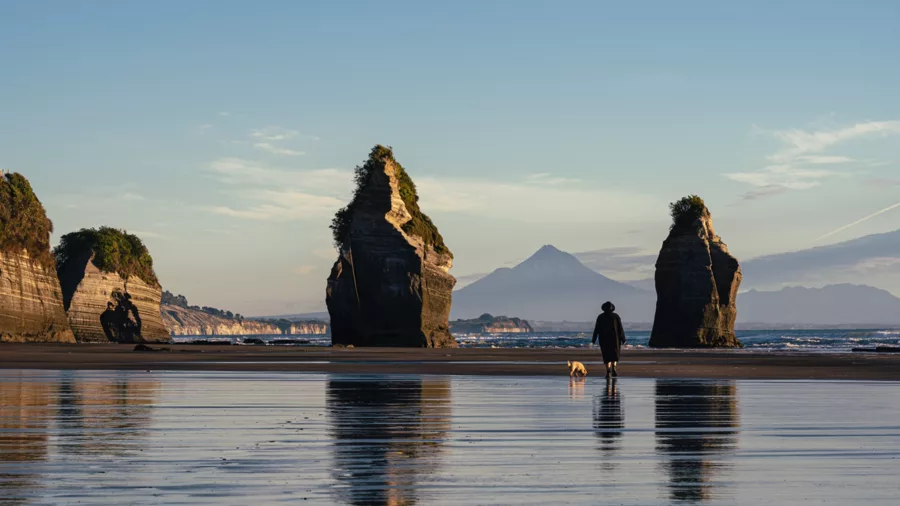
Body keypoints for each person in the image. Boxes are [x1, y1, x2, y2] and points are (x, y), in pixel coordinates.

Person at [592, 301, 627, 378]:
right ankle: (614, 368)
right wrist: (623, 339)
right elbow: (620, 328)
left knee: (606, 355)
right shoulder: (616, 316)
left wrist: (594, 339)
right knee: (614, 354)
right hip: (615, 339)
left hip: (604, 339)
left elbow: (596, 329)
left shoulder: (600, 317)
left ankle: (608, 371)